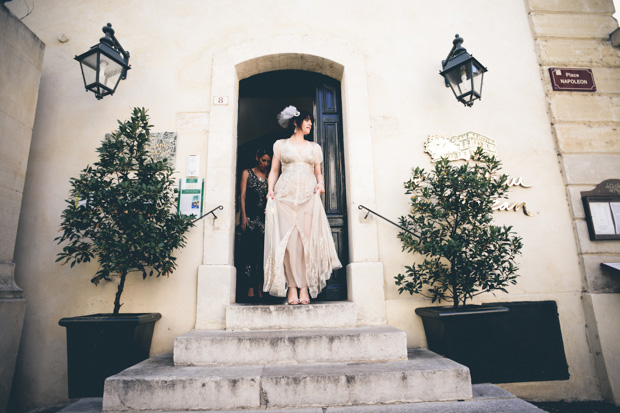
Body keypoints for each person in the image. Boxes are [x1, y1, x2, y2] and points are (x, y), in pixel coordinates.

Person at [263, 105, 342, 305]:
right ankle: (291, 287)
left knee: (307, 241)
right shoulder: (280, 144)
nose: (310, 124)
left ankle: (305, 286)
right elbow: (274, 170)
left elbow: (318, 172)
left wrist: (321, 184)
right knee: (289, 245)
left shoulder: (315, 148)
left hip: (307, 197)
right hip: (284, 197)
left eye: (311, 122)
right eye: (307, 120)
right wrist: (270, 190)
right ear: (296, 122)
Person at [239, 148, 271, 302]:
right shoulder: (247, 173)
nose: (265, 164)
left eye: (268, 161)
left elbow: (273, 197)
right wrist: (243, 216)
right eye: (263, 160)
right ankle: (250, 288)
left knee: (261, 254)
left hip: (265, 221)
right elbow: (243, 196)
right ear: (257, 158)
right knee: (248, 253)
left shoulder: (270, 176)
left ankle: (260, 287)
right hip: (250, 219)